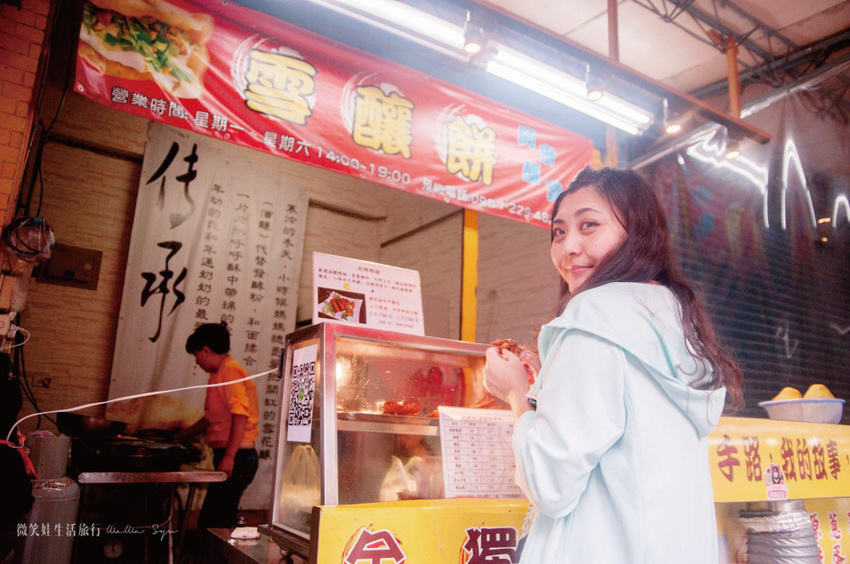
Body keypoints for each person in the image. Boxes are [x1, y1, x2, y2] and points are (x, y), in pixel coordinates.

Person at [483, 166, 743, 563]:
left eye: (589, 225)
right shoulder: (674, 316)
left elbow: (551, 484)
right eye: (559, 231)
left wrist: (516, 394)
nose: (569, 246)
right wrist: (551, 380)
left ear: (636, 231)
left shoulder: (594, 316)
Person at [176, 322, 260, 529]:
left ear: (206, 350)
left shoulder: (230, 371)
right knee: (212, 520)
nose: (197, 362)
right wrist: (181, 436)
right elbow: (211, 418)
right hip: (230, 456)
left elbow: (241, 414)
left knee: (215, 522)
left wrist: (229, 457)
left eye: (196, 355)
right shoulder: (218, 374)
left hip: (238, 458)